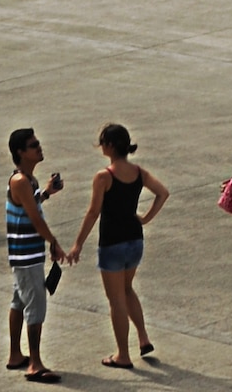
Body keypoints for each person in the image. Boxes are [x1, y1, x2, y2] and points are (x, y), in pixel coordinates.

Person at [68, 122, 169, 368]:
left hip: (112, 243)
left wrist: (78, 244)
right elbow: (163, 193)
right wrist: (145, 218)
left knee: (116, 301)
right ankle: (143, 338)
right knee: (127, 289)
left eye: (102, 142)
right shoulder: (138, 172)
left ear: (110, 146)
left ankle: (123, 355)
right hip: (135, 240)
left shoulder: (104, 176)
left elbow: (93, 213)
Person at [6, 127, 66, 382]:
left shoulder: (29, 181)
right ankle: (35, 364)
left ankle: (15, 355)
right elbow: (33, 218)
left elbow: (30, 203)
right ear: (21, 152)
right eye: (33, 145)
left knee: (19, 301)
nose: (39, 147)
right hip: (26, 256)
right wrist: (53, 241)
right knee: (36, 306)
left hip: (25, 255)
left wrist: (46, 193)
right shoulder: (20, 181)